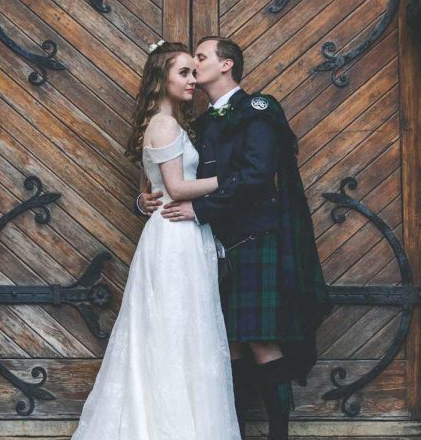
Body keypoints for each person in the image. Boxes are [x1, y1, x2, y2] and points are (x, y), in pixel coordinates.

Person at [139, 36, 330, 440]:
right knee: (231, 346)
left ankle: (279, 434)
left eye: (202, 59)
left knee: (261, 340)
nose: (195, 67)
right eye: (188, 66)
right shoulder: (201, 123)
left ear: (226, 65)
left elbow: (258, 175)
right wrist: (148, 199)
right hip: (211, 248)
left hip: (256, 239)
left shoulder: (257, 109)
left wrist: (199, 209)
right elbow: (177, 177)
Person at [72, 41, 240, 440]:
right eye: (183, 72)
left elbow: (149, 189)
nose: (193, 80)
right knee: (176, 330)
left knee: (179, 329)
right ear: (161, 78)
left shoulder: (167, 122)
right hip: (175, 237)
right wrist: (231, 180)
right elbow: (177, 188)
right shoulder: (165, 125)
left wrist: (142, 199)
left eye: (193, 71)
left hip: (177, 232)